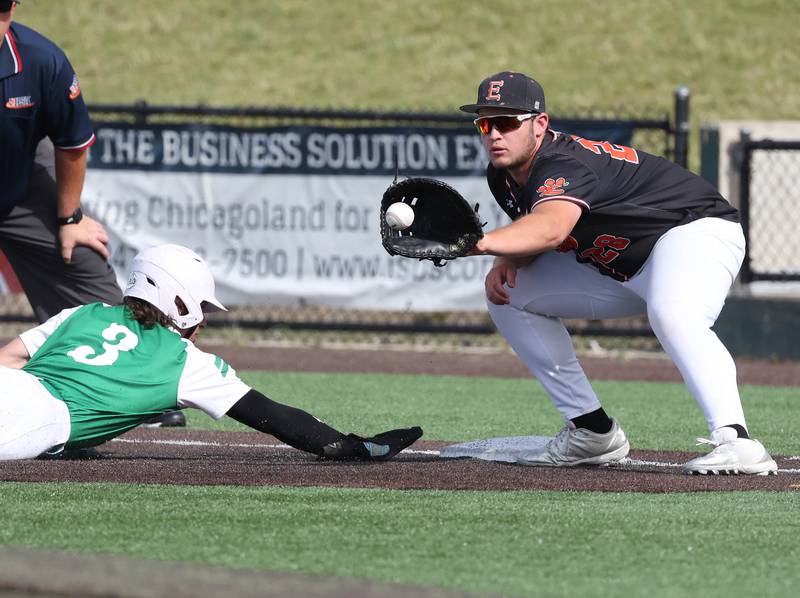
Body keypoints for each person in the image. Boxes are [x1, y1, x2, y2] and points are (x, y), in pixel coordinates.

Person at [460, 71, 776, 475]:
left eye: (506, 122)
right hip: (625, 265)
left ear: (540, 125)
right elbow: (536, 228)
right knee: (508, 292)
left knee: (674, 313)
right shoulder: (502, 176)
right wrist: (505, 259)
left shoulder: (562, 162)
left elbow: (552, 227)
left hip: (694, 232)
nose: (494, 135)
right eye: (485, 123)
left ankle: (738, 440)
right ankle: (592, 432)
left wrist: (482, 244)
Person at [0, 244, 423, 461]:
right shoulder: (187, 362)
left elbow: (8, 359)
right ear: (177, 301)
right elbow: (279, 419)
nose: (202, 321)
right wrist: (354, 448)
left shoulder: (84, 313)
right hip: (39, 420)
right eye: (199, 307)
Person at [0, 1, 180, 429]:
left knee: (87, 271)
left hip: (18, 188)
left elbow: (72, 143)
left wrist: (68, 220)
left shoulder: (41, 60)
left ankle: (132, 388)